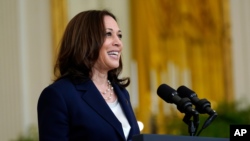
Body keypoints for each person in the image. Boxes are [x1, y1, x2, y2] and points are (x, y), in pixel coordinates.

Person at [37, 9, 140, 141]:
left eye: (119, 36)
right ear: (85, 41)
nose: (118, 43)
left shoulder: (122, 93)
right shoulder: (59, 95)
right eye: (108, 34)